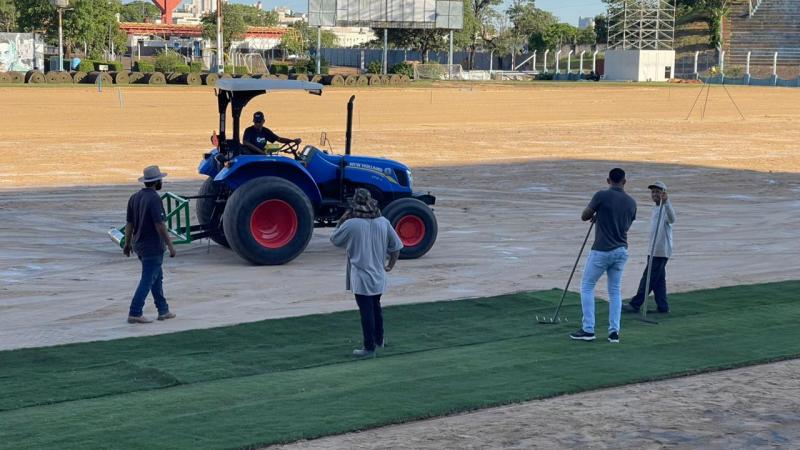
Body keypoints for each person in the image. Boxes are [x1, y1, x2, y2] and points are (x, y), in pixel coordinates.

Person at [330, 189, 403, 358]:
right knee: (376, 306)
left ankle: (369, 347)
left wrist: (342, 219)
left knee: (366, 311)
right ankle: (379, 340)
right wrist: (390, 265)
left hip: (361, 276)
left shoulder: (351, 224)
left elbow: (335, 239)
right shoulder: (383, 222)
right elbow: (397, 247)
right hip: (378, 274)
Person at [570, 168, 637, 344]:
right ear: (624, 181)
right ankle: (614, 332)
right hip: (621, 249)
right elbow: (625, 225)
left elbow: (584, 216)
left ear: (608, 180)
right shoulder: (631, 202)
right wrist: (602, 217)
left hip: (602, 249)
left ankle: (588, 329)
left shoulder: (601, 195)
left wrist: (596, 214)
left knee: (587, 286)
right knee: (615, 291)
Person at [123, 165, 177, 324]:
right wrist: (171, 245)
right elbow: (160, 225)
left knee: (156, 277)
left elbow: (129, 224)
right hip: (152, 246)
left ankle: (163, 310)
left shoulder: (134, 197)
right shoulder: (154, 199)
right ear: (157, 182)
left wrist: (127, 244)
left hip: (139, 245)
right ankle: (135, 312)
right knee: (148, 279)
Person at [624, 181, 676, 314]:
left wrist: (667, 202)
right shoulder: (655, 208)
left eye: (658, 192)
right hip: (652, 250)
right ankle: (663, 307)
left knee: (648, 278)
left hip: (660, 251)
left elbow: (672, 219)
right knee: (658, 280)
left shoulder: (665, 208)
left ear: (664, 194)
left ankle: (635, 304)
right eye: (653, 192)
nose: (655, 194)